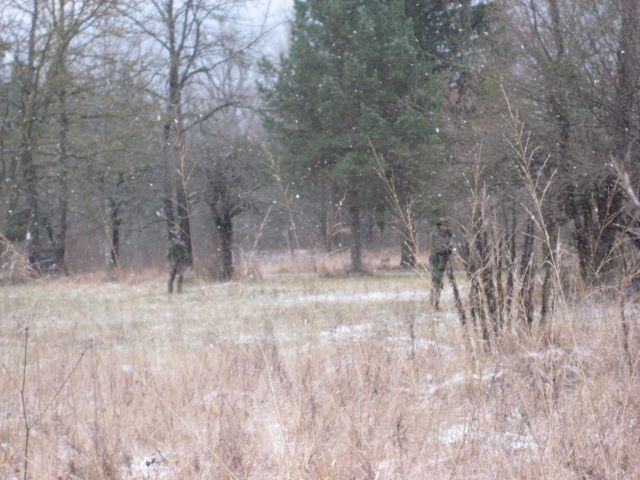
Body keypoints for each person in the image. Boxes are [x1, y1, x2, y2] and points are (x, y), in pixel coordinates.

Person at [429, 217, 453, 311]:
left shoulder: (447, 235)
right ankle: (434, 305)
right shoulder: (435, 234)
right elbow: (439, 248)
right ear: (440, 226)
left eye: (447, 225)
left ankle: (435, 305)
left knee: (439, 284)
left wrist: (449, 249)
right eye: (444, 225)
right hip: (436, 261)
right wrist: (447, 249)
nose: (446, 227)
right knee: (436, 283)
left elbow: (449, 247)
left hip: (443, 261)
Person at [167, 227, 189, 294]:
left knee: (172, 277)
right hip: (178, 263)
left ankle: (170, 291)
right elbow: (183, 248)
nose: (179, 235)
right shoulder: (176, 243)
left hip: (174, 262)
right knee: (179, 276)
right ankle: (179, 291)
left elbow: (168, 255)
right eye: (178, 234)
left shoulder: (171, 243)